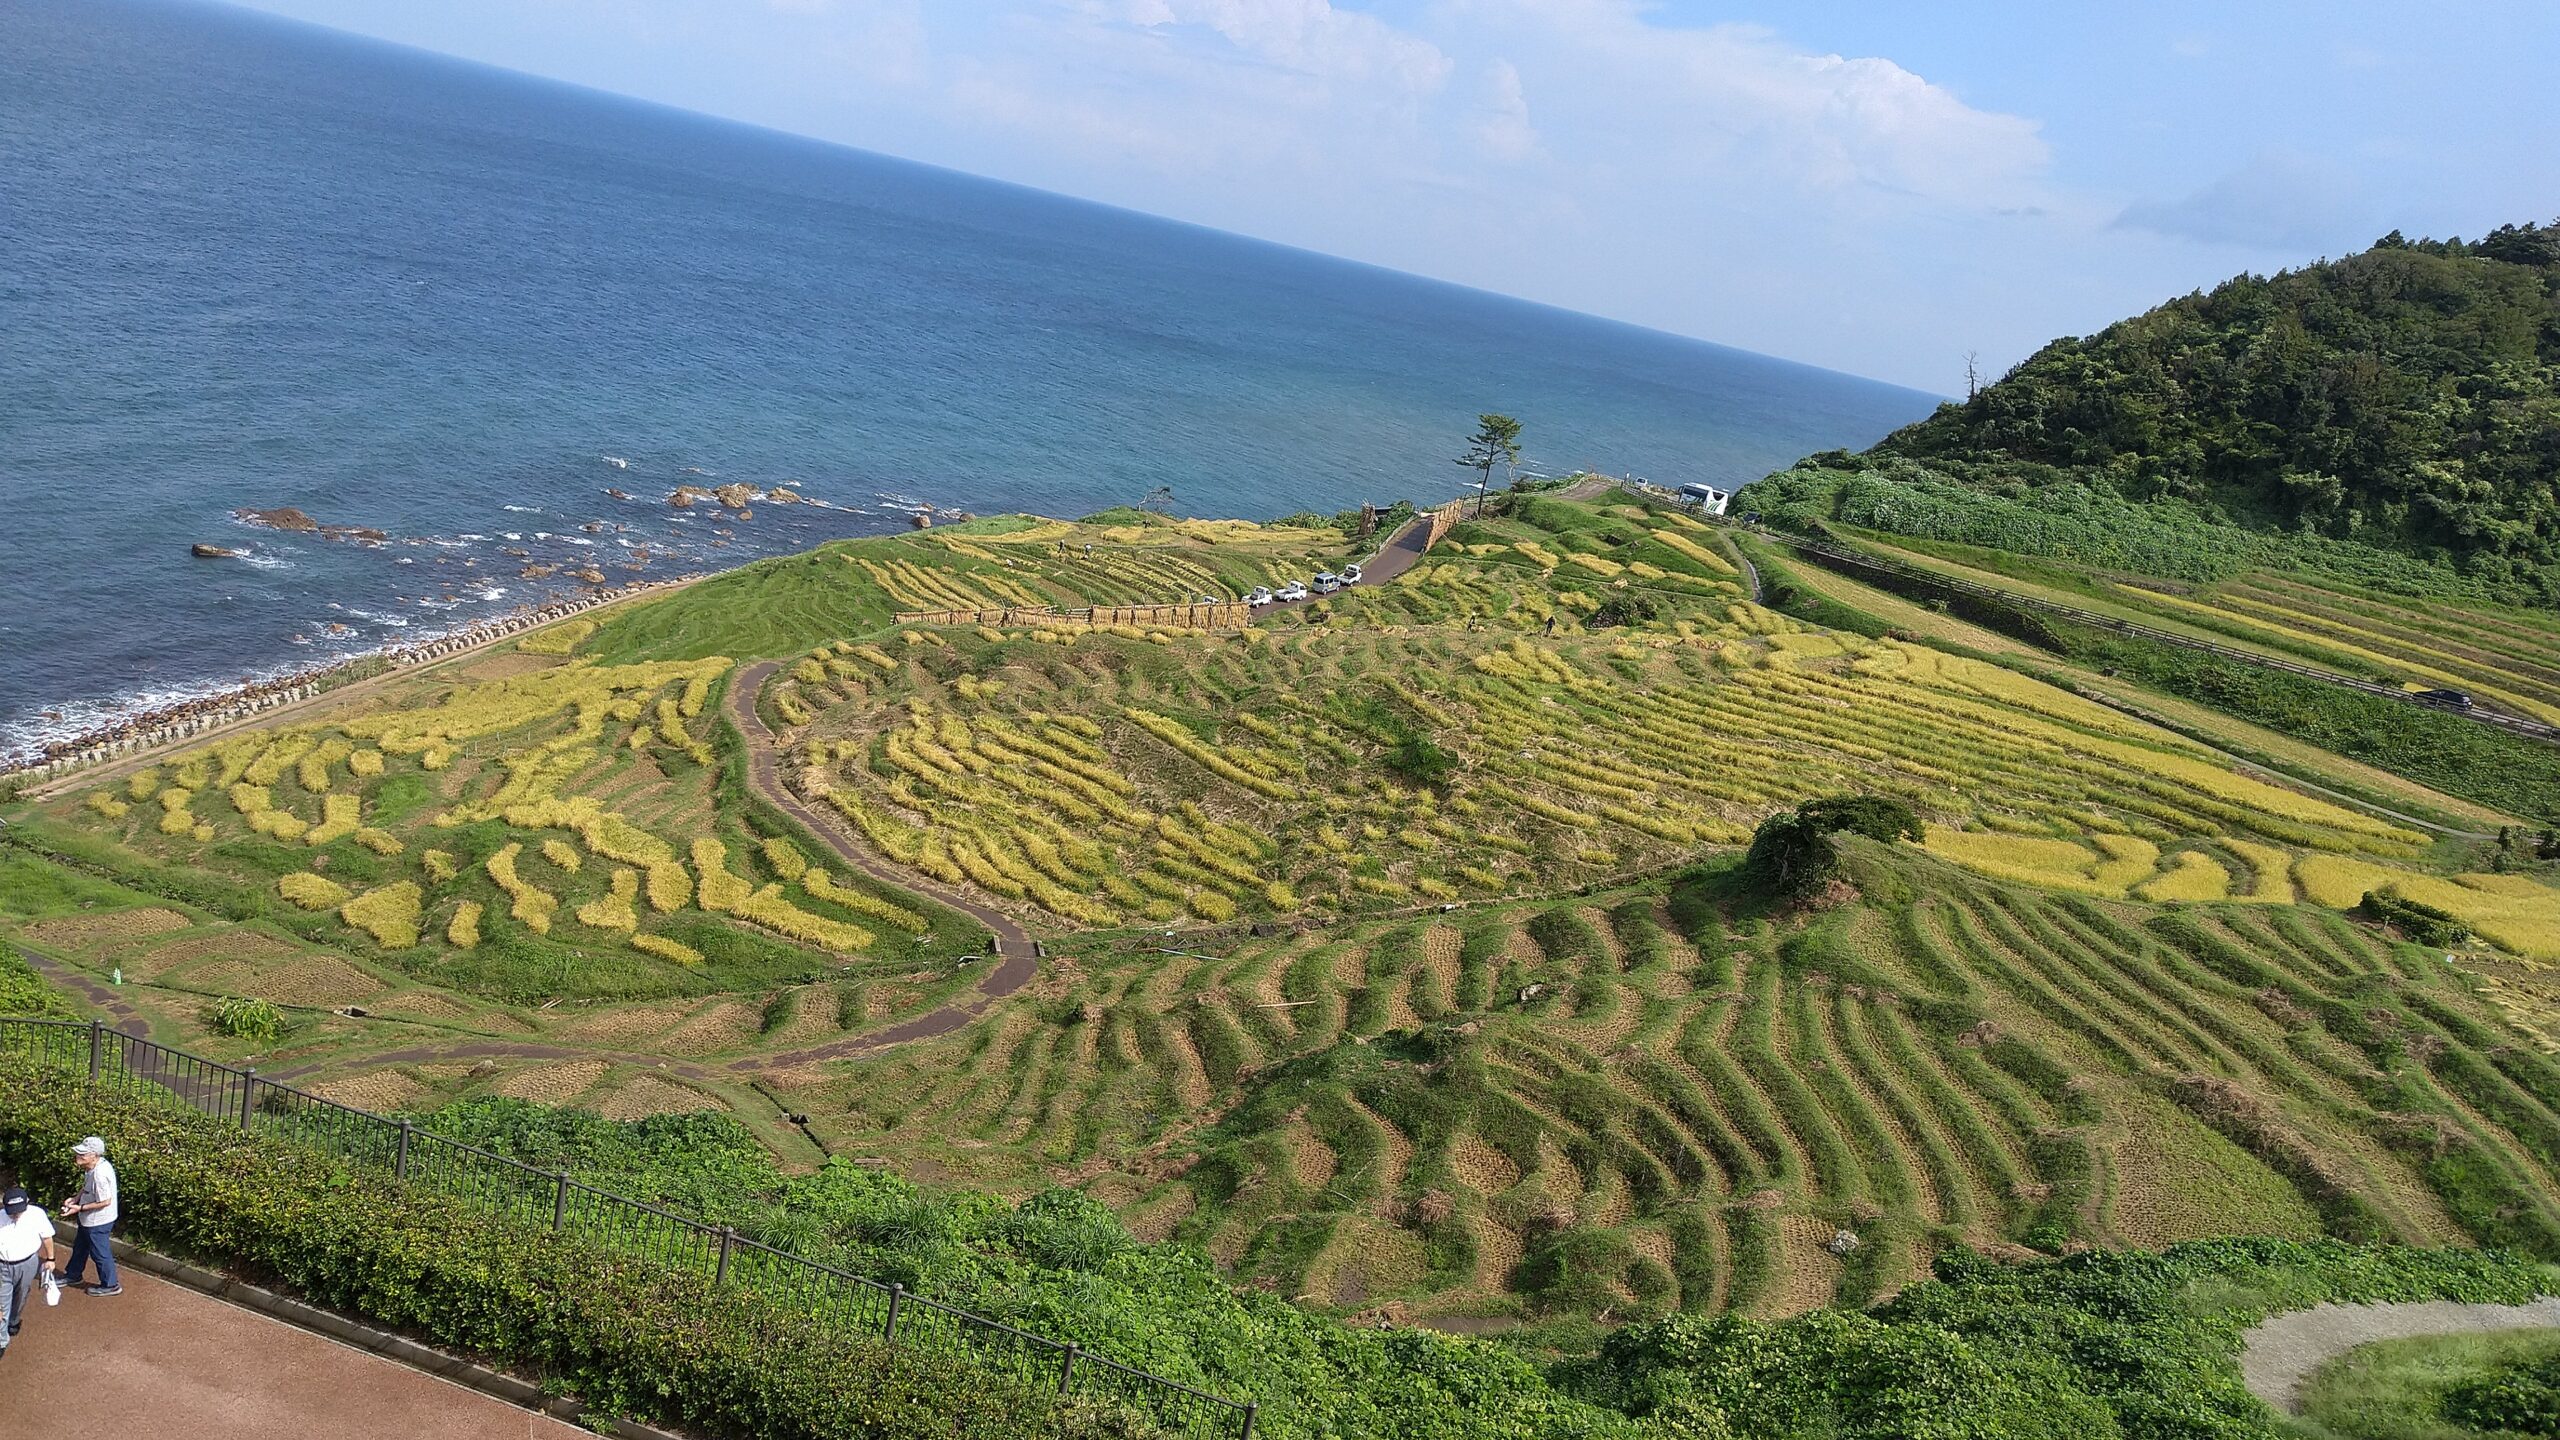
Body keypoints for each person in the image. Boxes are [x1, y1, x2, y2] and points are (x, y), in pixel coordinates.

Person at [0, 1186, 59, 1359]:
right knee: (2, 1303)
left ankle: (14, 1320)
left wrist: (50, 1259)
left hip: (28, 1263)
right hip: (2, 1266)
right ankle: (2, 1340)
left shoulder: (37, 1214)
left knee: (21, 1295)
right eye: (11, 1211)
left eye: (18, 1211)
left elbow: (47, 1237)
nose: (15, 1215)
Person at [59, 1137, 118, 1297]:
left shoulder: (100, 1174)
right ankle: (73, 1274)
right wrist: (76, 1198)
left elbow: (105, 1201)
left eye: (82, 1154)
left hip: (98, 1221)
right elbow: (87, 1187)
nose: (78, 1155)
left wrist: (80, 1208)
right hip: (89, 1219)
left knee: (100, 1253)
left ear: (94, 1155)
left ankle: (111, 1284)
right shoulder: (93, 1167)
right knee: (80, 1247)